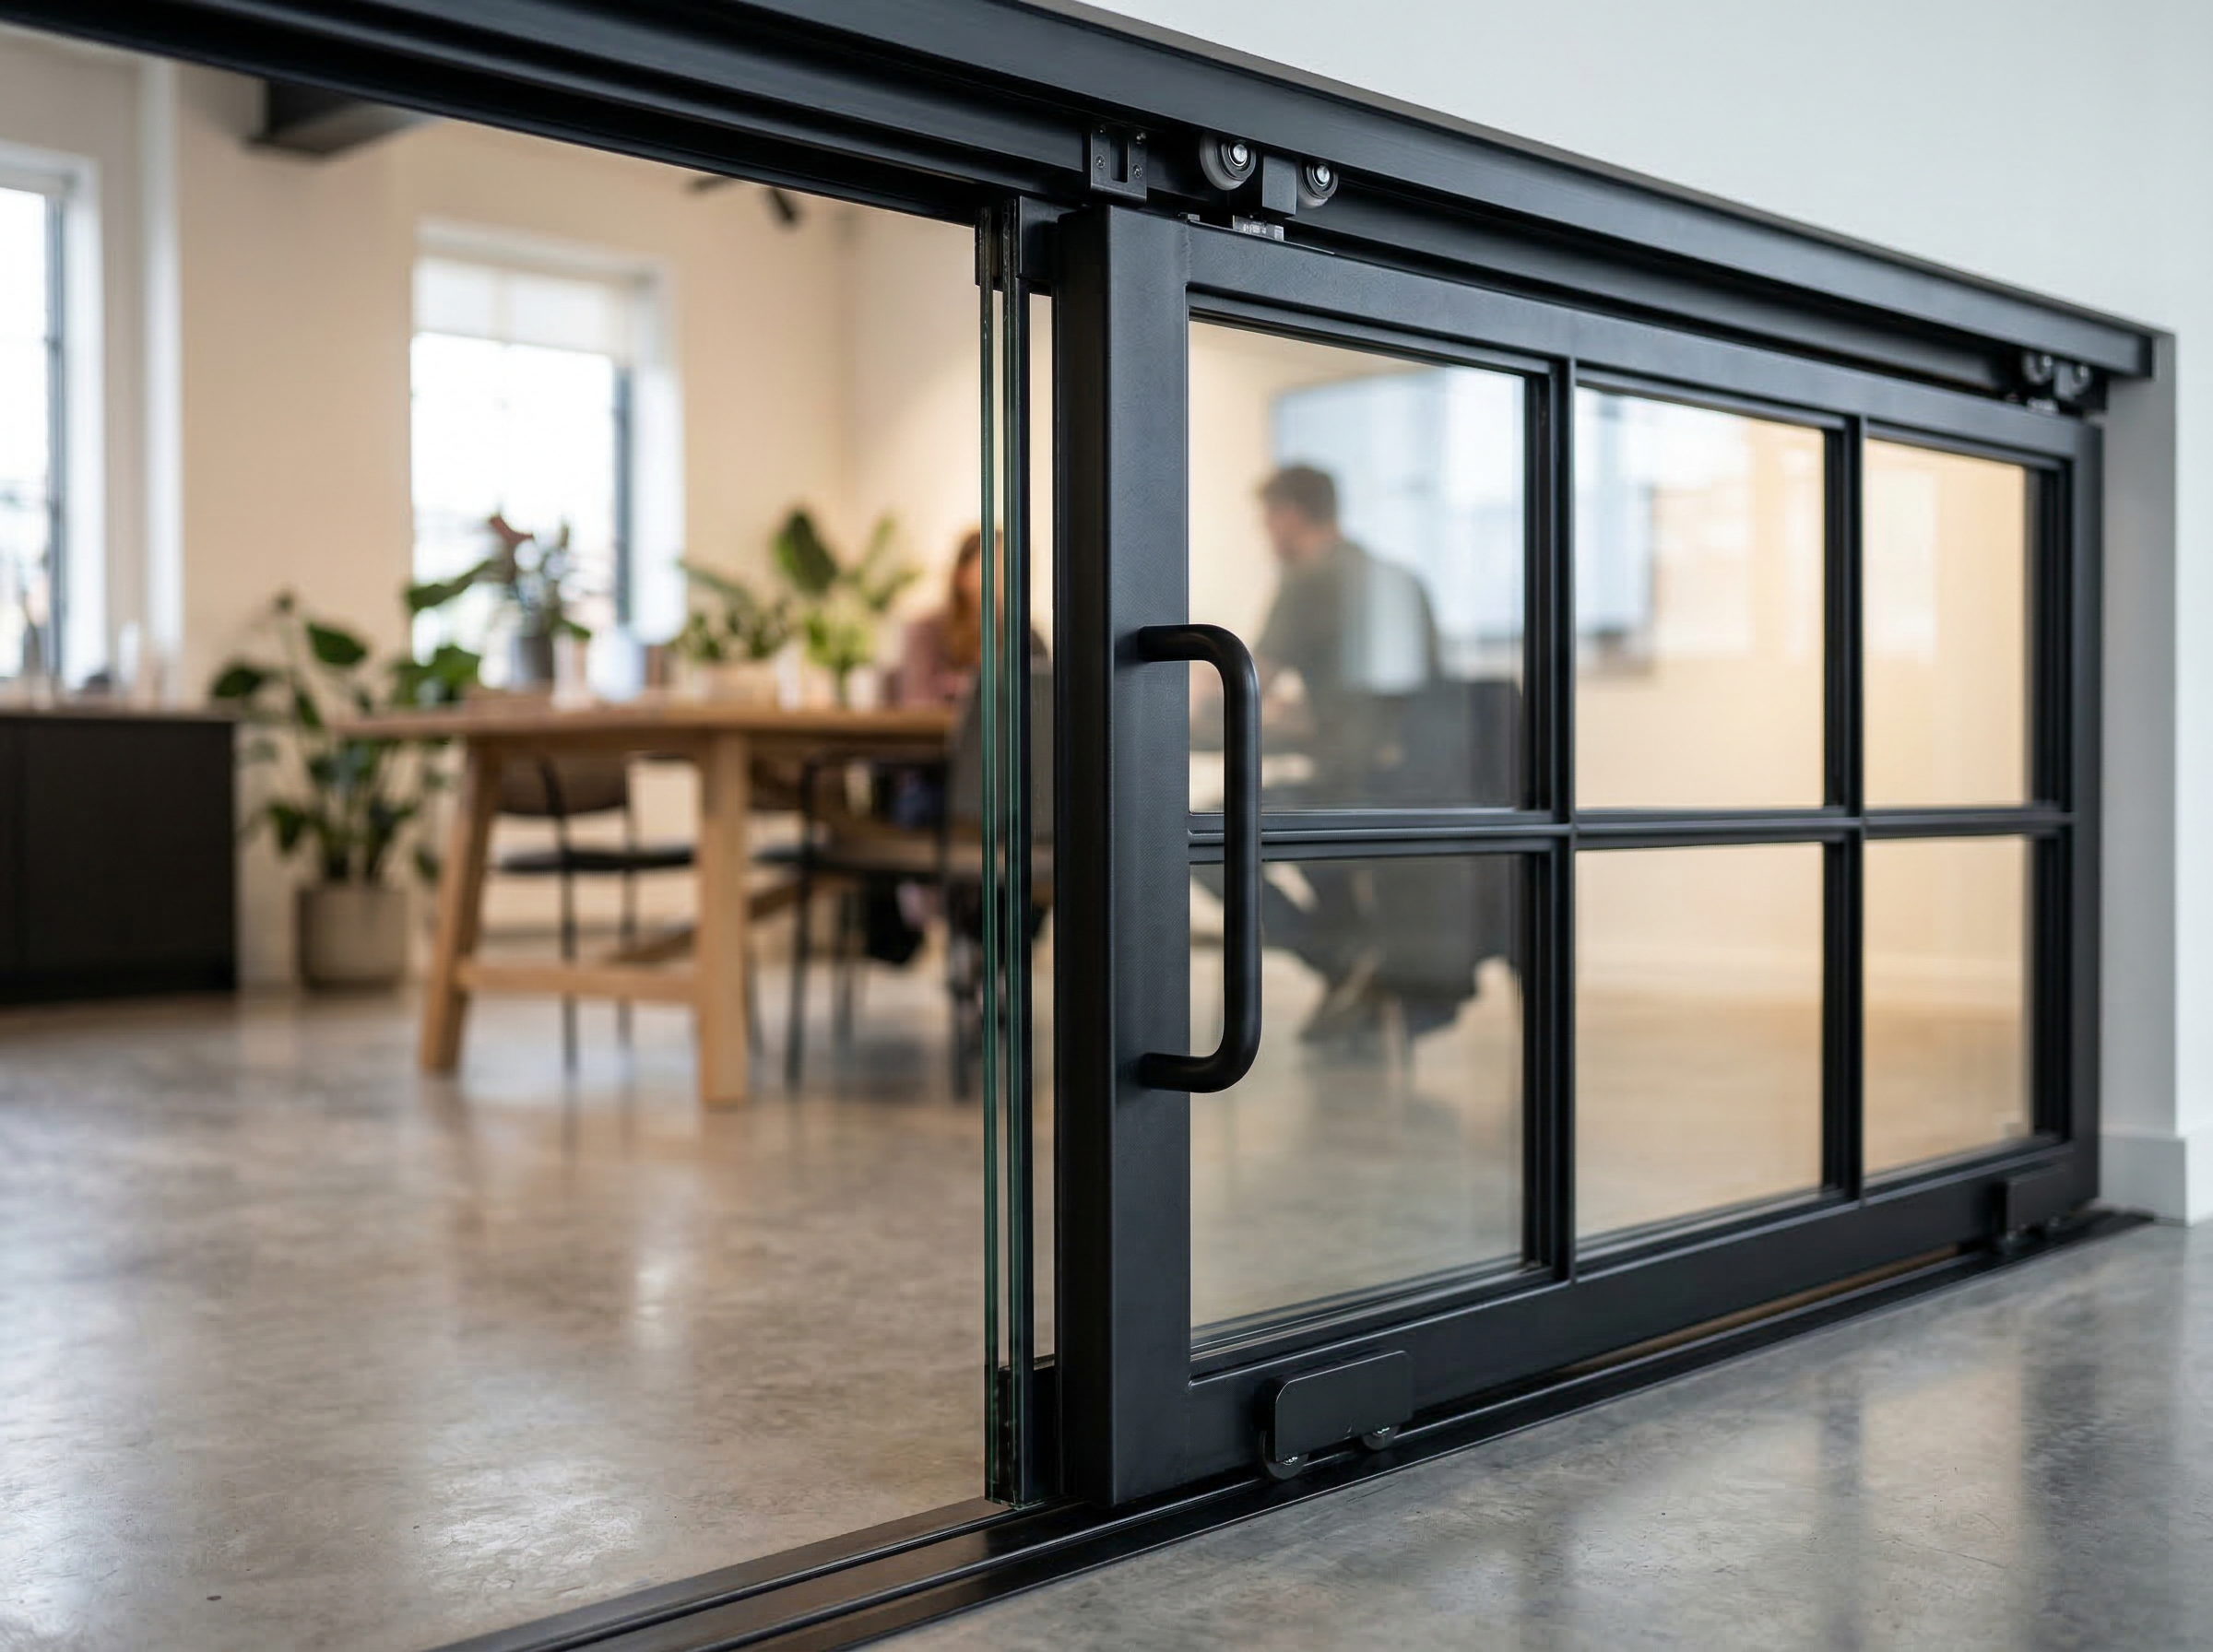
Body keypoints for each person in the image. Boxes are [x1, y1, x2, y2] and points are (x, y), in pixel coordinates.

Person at [1207, 465, 1486, 1049]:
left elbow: (1248, 679)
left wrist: (1195, 698)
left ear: (1288, 515)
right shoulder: (1399, 579)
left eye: (1267, 524)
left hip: (1347, 790)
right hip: (1413, 788)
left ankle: (1340, 955)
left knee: (1203, 835)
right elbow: (1394, 698)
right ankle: (1354, 966)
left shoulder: (1309, 578)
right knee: (1297, 835)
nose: (1268, 538)